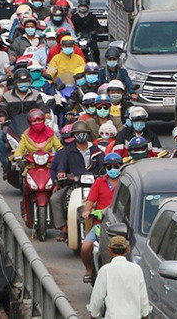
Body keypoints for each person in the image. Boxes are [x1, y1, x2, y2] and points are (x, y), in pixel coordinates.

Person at [81, 152, 125, 284]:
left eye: (116, 166)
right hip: (101, 224)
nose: (113, 170)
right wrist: (86, 211)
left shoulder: (125, 183)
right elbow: (90, 201)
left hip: (121, 225)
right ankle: (89, 270)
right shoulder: (99, 182)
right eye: (109, 167)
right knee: (85, 246)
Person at [51, 127, 100, 241]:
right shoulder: (68, 151)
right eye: (78, 133)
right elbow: (61, 165)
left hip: (94, 184)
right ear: (73, 136)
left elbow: (103, 165)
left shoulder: (96, 150)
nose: (81, 135)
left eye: (83, 133)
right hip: (74, 184)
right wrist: (62, 173)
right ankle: (64, 228)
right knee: (55, 199)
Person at [86, 235, 152, 319]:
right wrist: (145, 314)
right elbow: (143, 296)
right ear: (127, 250)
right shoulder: (136, 269)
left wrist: (93, 315)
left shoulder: (105, 270)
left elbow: (97, 296)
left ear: (109, 250)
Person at [0, 70, 46, 173]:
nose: (23, 85)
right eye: (21, 83)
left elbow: (42, 107)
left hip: (33, 127)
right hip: (12, 128)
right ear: (15, 83)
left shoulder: (36, 94)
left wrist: (46, 113)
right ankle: (5, 164)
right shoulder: (7, 96)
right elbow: (2, 109)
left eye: (26, 82)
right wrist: (2, 116)